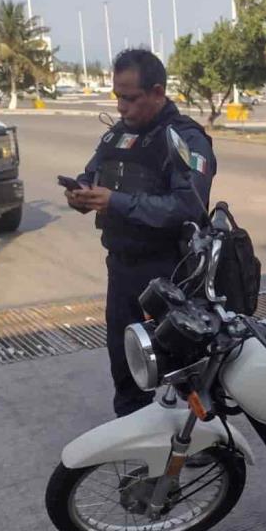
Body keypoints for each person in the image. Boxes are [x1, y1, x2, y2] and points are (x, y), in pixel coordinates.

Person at [67, 48, 216, 417]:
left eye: (130, 98)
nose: (121, 107)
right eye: (117, 97)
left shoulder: (185, 140)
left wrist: (115, 202)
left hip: (170, 274)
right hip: (122, 270)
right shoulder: (116, 136)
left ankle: (202, 447)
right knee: (127, 365)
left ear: (158, 93)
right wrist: (82, 194)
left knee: (186, 370)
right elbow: (94, 173)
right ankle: (137, 449)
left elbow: (188, 206)